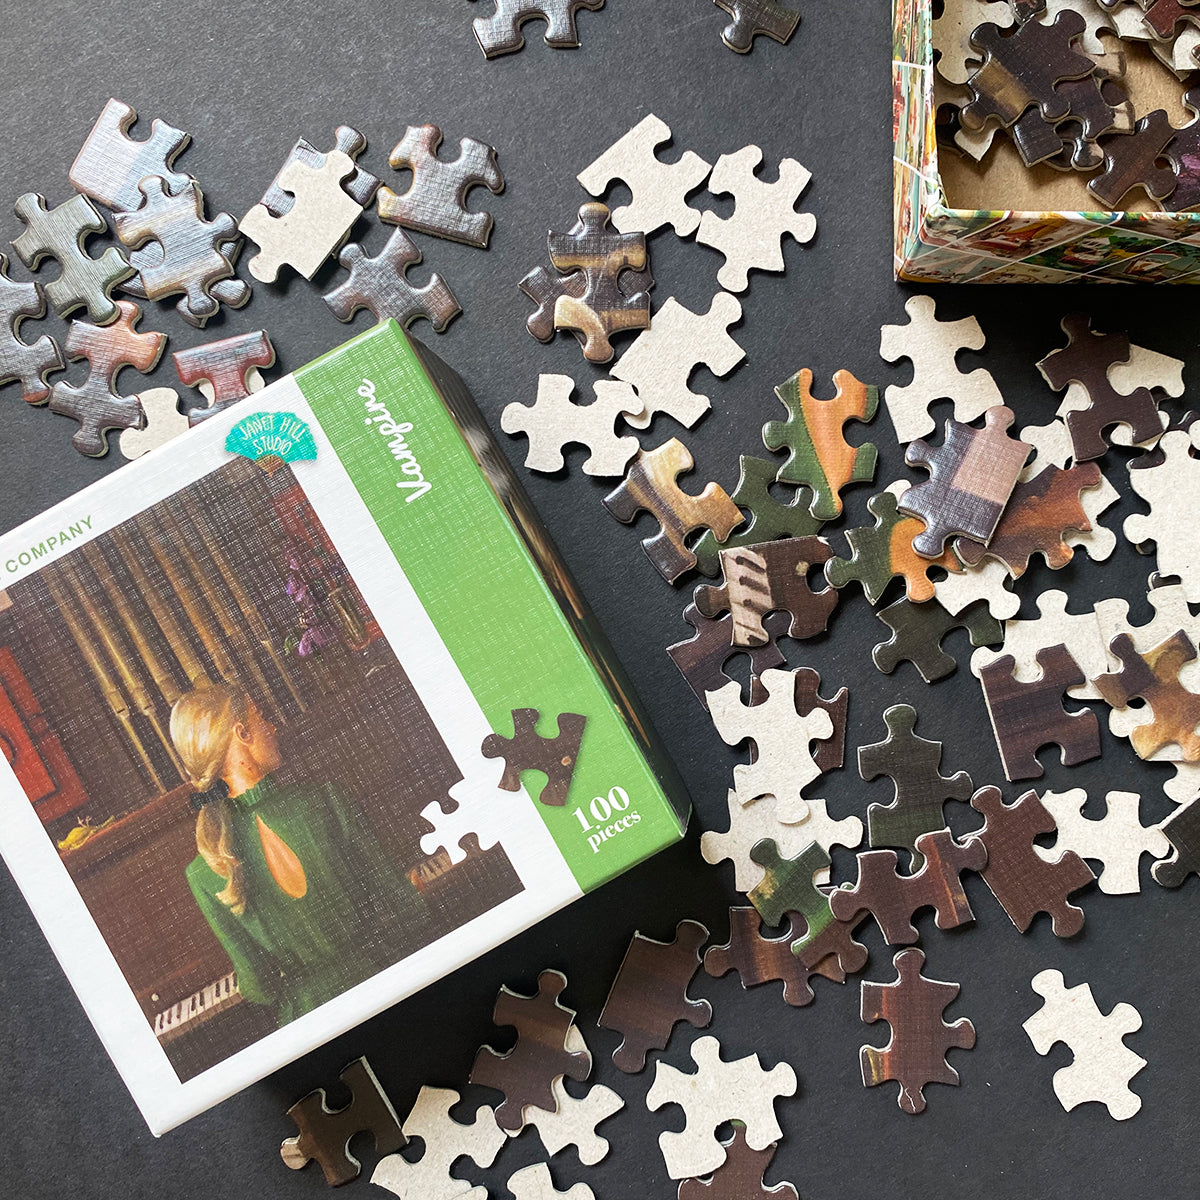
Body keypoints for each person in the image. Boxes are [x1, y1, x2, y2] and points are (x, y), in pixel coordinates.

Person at [169, 684, 427, 1028]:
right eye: (262, 717)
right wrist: (415, 893)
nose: (273, 727)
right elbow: (406, 908)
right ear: (242, 734)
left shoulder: (203, 871)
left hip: (309, 1022)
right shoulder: (326, 800)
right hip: (384, 985)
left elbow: (260, 988)